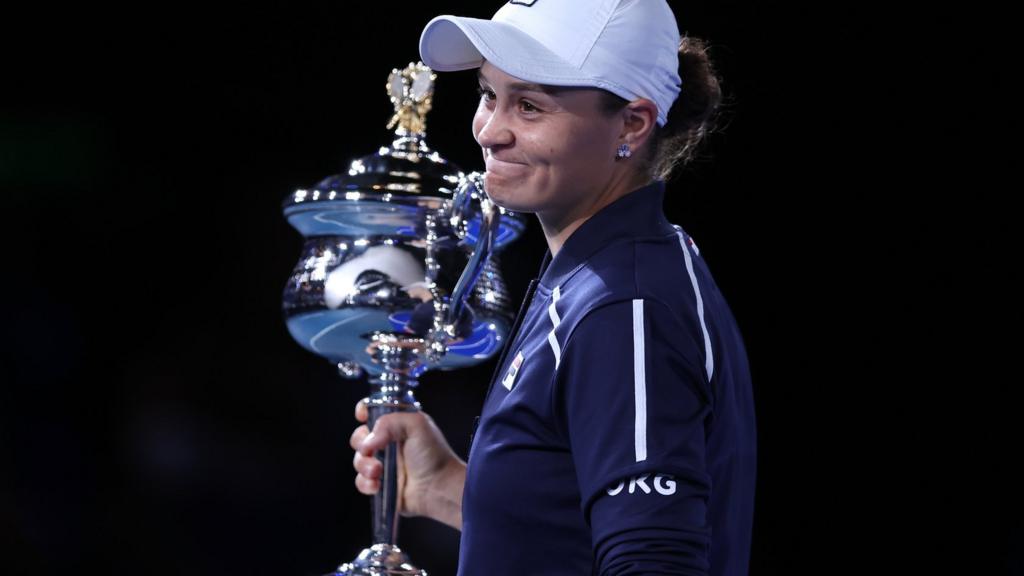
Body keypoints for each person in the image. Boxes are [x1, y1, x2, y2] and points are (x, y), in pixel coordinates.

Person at [349, 1, 756, 574]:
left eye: (530, 106)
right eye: (488, 95)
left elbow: (653, 561)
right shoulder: (598, 274)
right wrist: (448, 487)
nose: (490, 131)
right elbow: (573, 533)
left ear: (633, 124)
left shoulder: (625, 303)